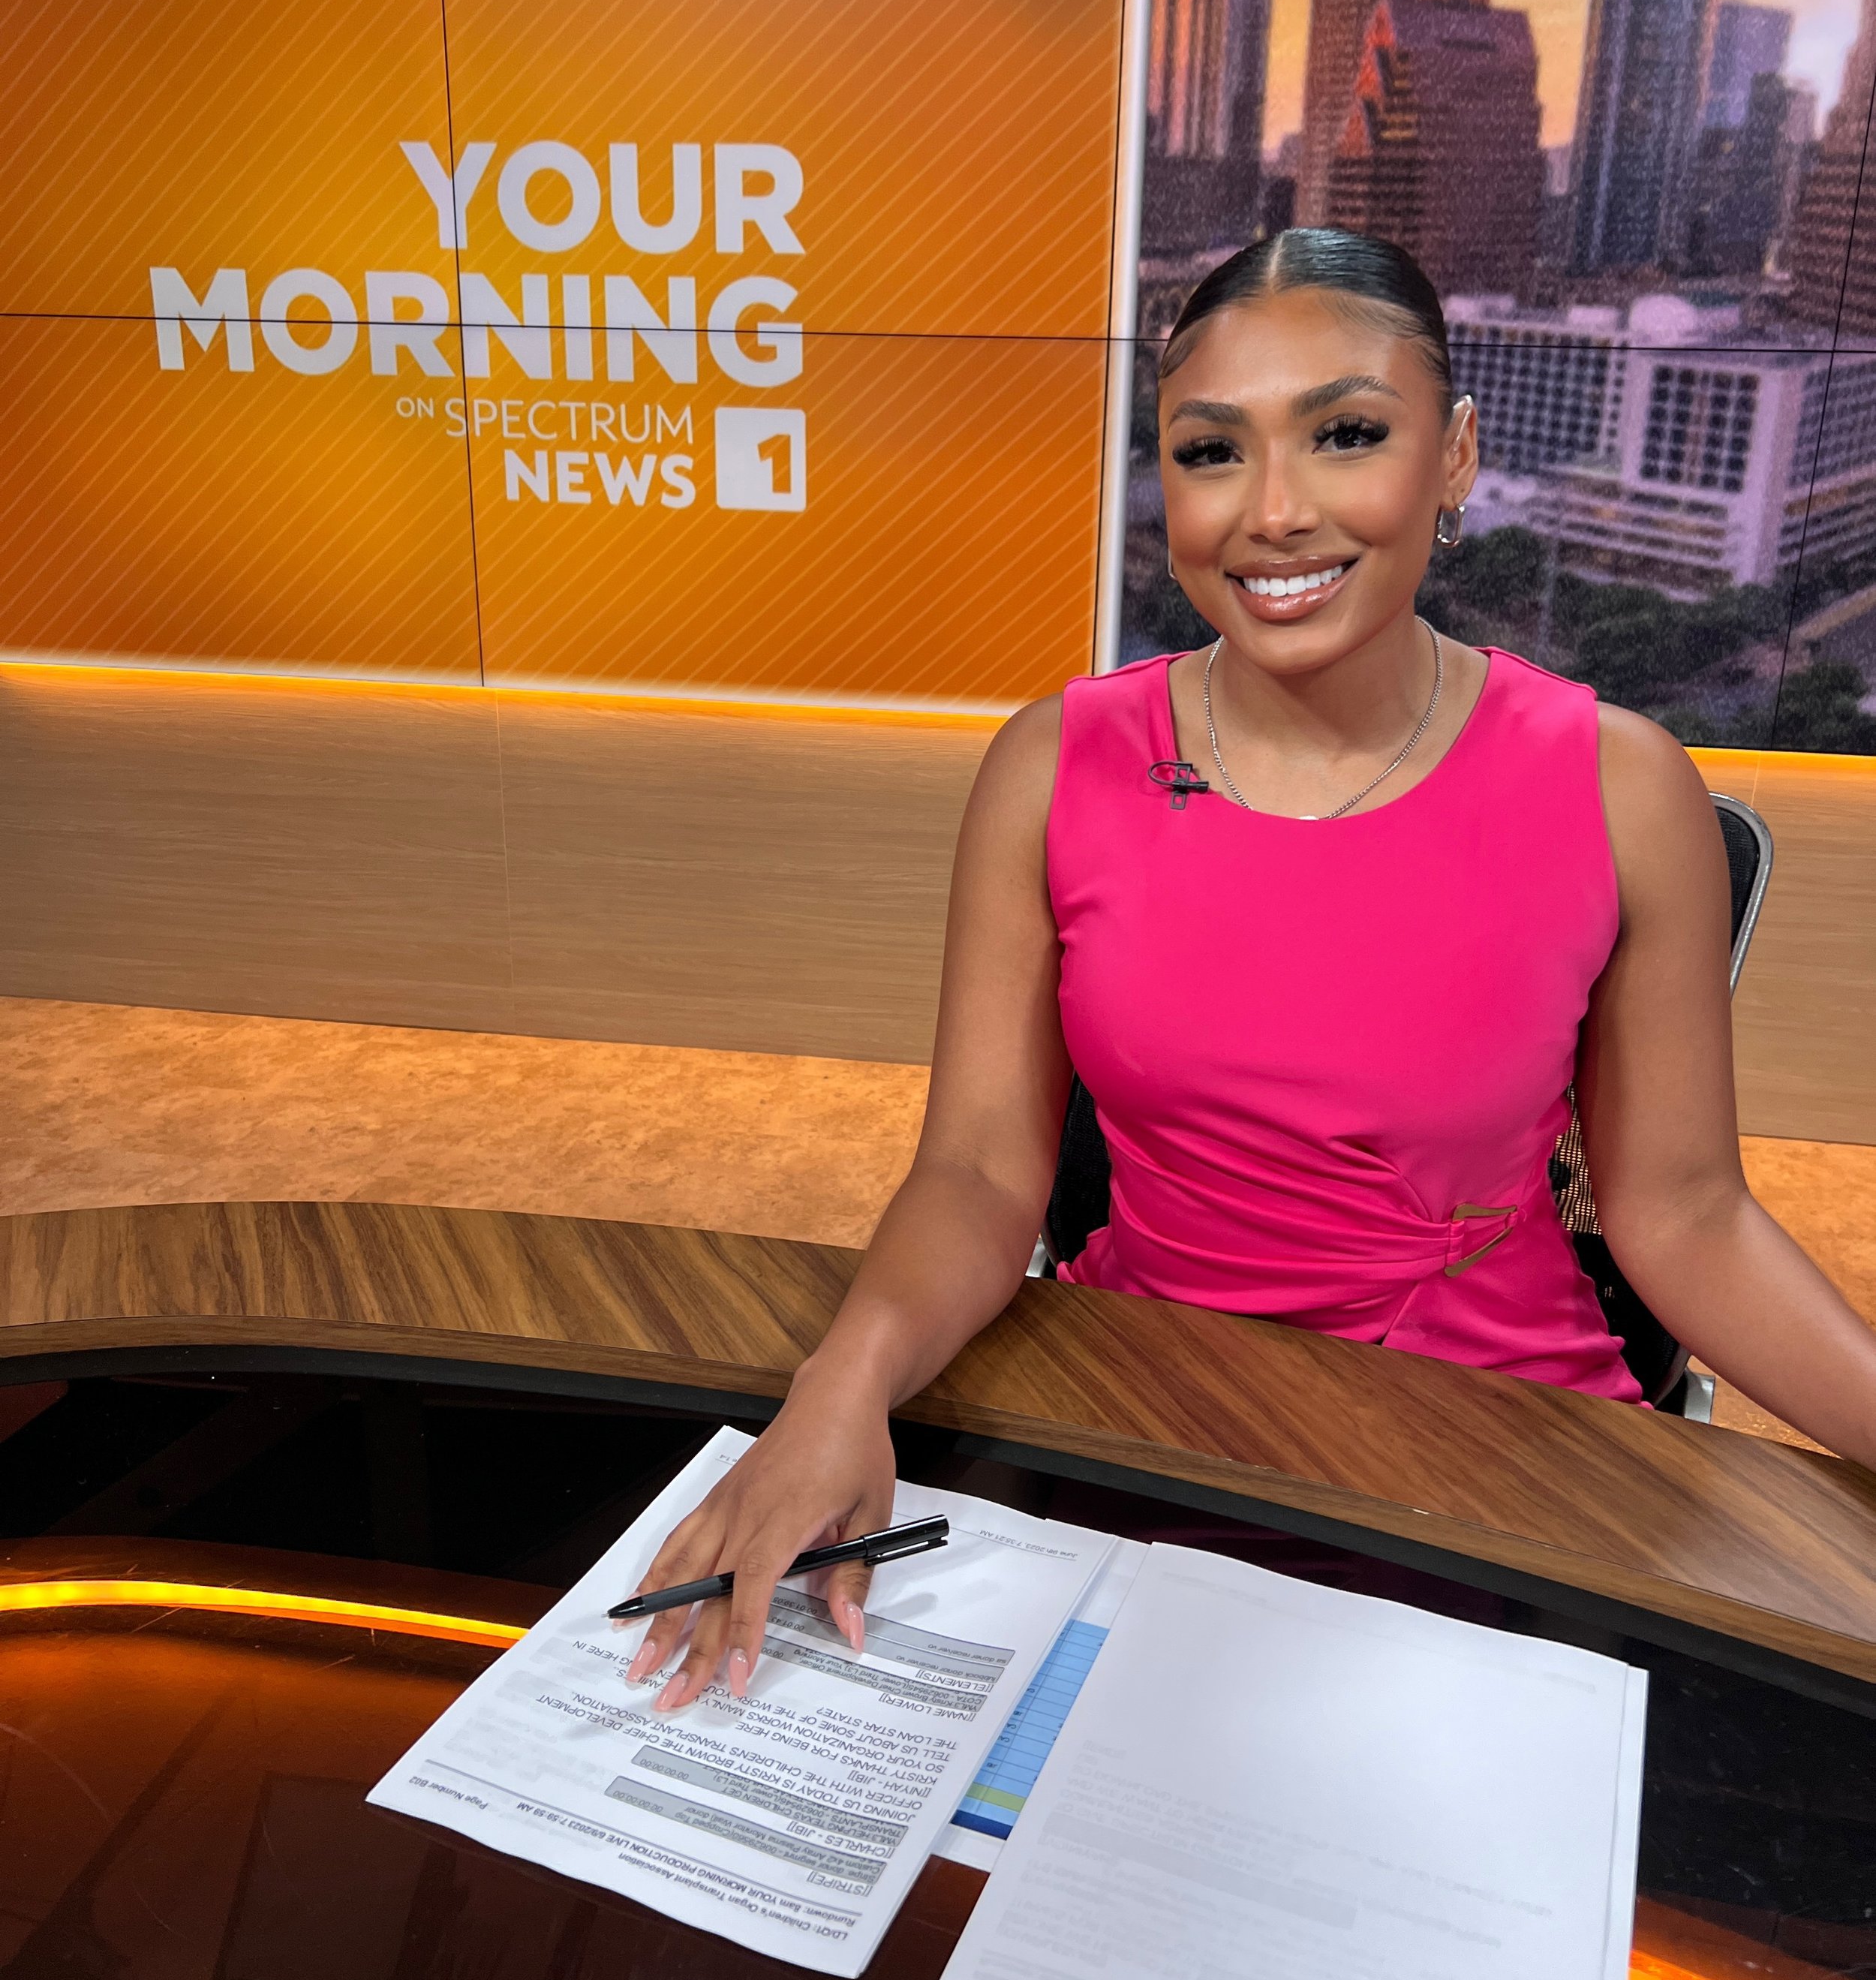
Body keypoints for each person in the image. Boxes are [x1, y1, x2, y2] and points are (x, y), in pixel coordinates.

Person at [630, 226, 1876, 1710]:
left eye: (1344, 434)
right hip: (1138, 1418)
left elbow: (1678, 1212)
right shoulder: (1050, 763)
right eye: (1211, 453)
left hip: (1501, 1457)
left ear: (1455, 453)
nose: (1271, 512)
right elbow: (973, 1172)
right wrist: (832, 1387)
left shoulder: (1620, 784)